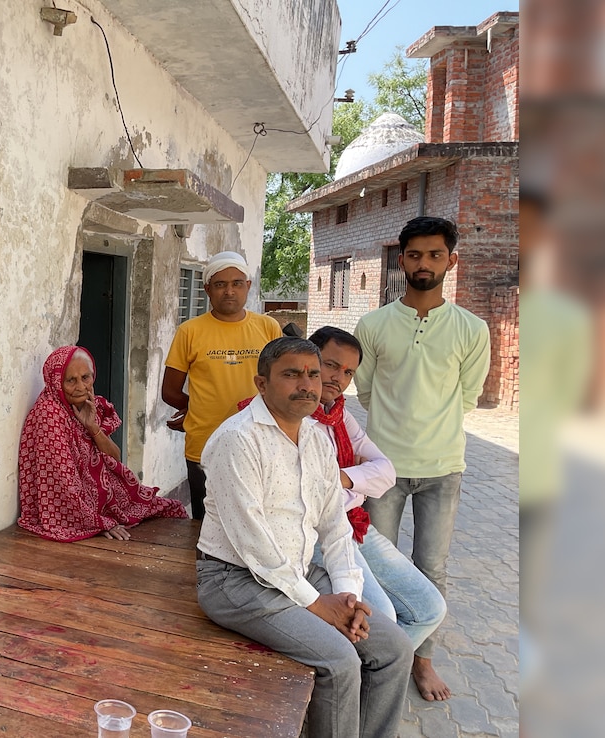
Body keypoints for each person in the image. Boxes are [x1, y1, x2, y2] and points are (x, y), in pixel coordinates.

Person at [196, 337, 413, 738]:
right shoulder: (238, 439)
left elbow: (334, 523)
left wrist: (348, 595)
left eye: (313, 374)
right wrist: (317, 605)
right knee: (340, 661)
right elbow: (253, 542)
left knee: (394, 650)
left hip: (297, 569)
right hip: (235, 580)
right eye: (291, 374)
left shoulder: (315, 437)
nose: (307, 385)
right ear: (261, 384)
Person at [354, 216, 491, 701]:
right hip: (382, 471)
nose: (424, 264)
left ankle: (421, 659)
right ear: (401, 259)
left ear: (451, 261)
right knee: (374, 568)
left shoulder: (472, 330)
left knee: (431, 567)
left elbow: (468, 396)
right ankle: (377, 656)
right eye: (415, 255)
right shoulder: (373, 325)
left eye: (435, 255)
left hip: (443, 468)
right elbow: (365, 391)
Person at [306, 326, 447, 651]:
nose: (338, 378)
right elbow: (314, 498)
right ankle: (371, 674)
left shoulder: (339, 416)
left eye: (348, 372)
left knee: (430, 608)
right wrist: (356, 483)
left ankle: (380, 671)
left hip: (352, 523)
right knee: (381, 616)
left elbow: (385, 470)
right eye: (330, 365)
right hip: (318, 531)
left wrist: (342, 478)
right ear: (308, 359)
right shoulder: (293, 414)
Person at [18, 345, 187, 542]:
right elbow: (63, 482)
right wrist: (97, 522)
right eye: (71, 380)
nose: (81, 387)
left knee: (168, 509)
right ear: (56, 382)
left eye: (85, 377)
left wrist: (92, 427)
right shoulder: (50, 415)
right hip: (71, 504)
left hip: (101, 495)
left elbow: (114, 457)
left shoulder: (90, 405)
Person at [162, 250, 282, 519]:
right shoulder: (190, 332)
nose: (229, 291)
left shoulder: (268, 327)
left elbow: (282, 382)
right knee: (207, 523)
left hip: (259, 441)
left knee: (256, 519)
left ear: (248, 286)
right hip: (205, 443)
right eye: (220, 284)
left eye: (237, 283)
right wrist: (199, 409)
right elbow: (169, 392)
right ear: (207, 289)